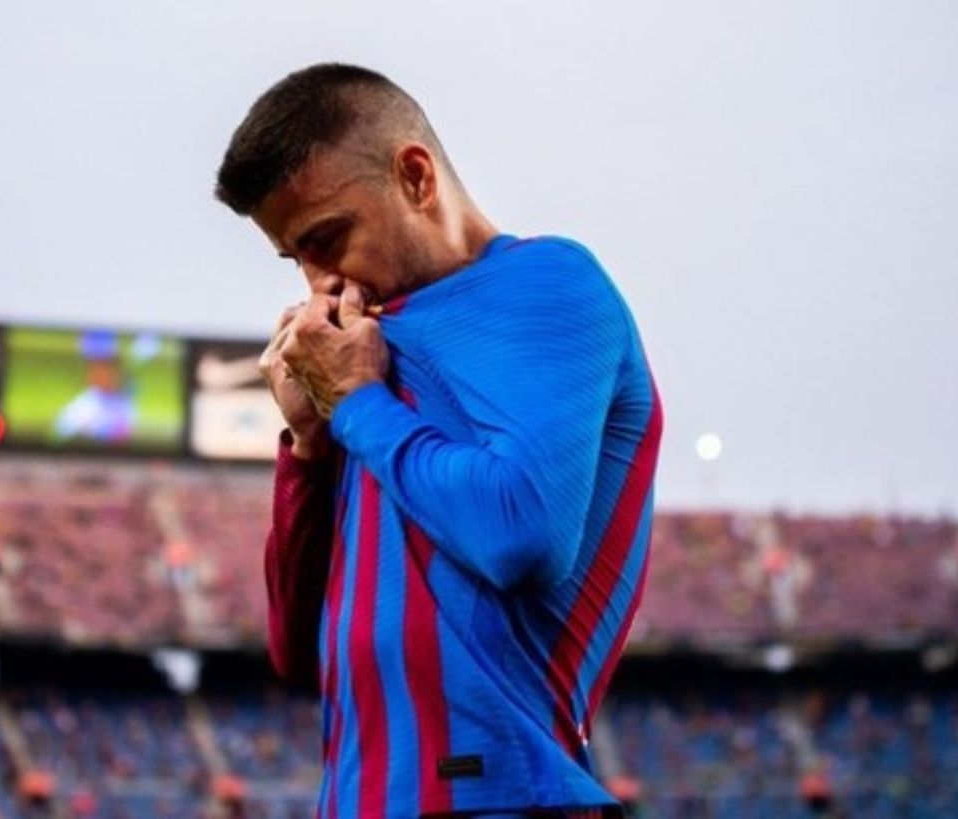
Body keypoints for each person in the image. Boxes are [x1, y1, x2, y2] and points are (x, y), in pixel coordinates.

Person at [215, 63, 663, 817]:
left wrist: (357, 402)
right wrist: (310, 447)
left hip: (499, 797)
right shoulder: (366, 347)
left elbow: (521, 534)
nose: (319, 284)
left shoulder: (546, 282)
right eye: (297, 259)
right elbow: (297, 648)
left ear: (416, 177)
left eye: (329, 238)